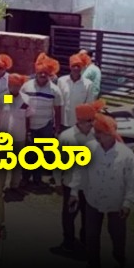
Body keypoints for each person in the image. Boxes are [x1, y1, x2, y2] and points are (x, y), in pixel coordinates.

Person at [68, 113, 134, 268]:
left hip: (117, 203)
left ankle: (120, 263)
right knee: (91, 236)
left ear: (110, 134)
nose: (96, 135)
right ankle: (93, 266)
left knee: (118, 236)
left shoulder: (126, 154)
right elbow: (79, 172)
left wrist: (127, 203)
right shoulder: (90, 148)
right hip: (92, 200)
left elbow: (132, 181)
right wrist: (73, 192)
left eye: (100, 133)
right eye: (96, 131)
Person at [52, 100, 104, 254]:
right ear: (79, 120)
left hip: (90, 185)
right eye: (88, 121)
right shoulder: (67, 137)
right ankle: (68, 242)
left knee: (87, 218)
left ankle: (84, 244)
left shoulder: (97, 136)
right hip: (70, 184)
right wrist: (57, 181)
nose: (92, 123)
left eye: (93, 120)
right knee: (68, 215)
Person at [20, 52, 63, 186]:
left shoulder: (55, 90)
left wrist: (57, 128)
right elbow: (21, 106)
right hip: (29, 126)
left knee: (40, 153)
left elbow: (57, 110)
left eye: (45, 73)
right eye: (40, 72)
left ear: (49, 73)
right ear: (36, 72)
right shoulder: (26, 87)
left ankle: (37, 179)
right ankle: (25, 178)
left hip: (45, 126)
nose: (43, 75)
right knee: (28, 153)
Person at [0, 73, 32, 194]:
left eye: (17, 85)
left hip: (20, 136)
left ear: (21, 86)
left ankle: (15, 186)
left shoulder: (26, 99)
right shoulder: (1, 98)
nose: (15, 87)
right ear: (8, 85)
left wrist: (28, 133)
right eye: (12, 85)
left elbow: (28, 117)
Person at [58, 53, 94, 132]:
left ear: (82, 68)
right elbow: (57, 102)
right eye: (74, 66)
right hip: (63, 121)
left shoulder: (88, 84)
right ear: (70, 67)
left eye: (78, 66)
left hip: (78, 123)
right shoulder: (61, 81)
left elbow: (89, 105)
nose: (76, 68)